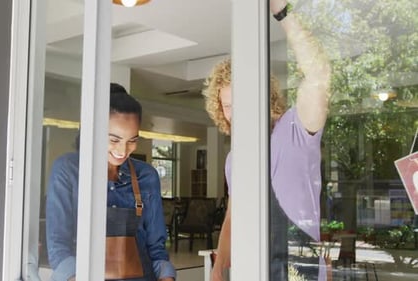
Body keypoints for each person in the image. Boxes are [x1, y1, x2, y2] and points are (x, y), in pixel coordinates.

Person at [203, 0, 331, 280]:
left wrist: (284, 13)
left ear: (265, 96)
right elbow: (233, 216)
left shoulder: (295, 129)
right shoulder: (234, 159)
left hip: (301, 267)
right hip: (256, 267)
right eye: (228, 105)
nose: (236, 114)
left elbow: (318, 76)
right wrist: (219, 265)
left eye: (243, 101)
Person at [46, 83, 176, 281]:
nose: (123, 151)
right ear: (94, 130)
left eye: (132, 140)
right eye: (114, 140)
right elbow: (58, 246)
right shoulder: (68, 170)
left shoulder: (146, 176)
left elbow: (156, 249)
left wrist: (167, 277)